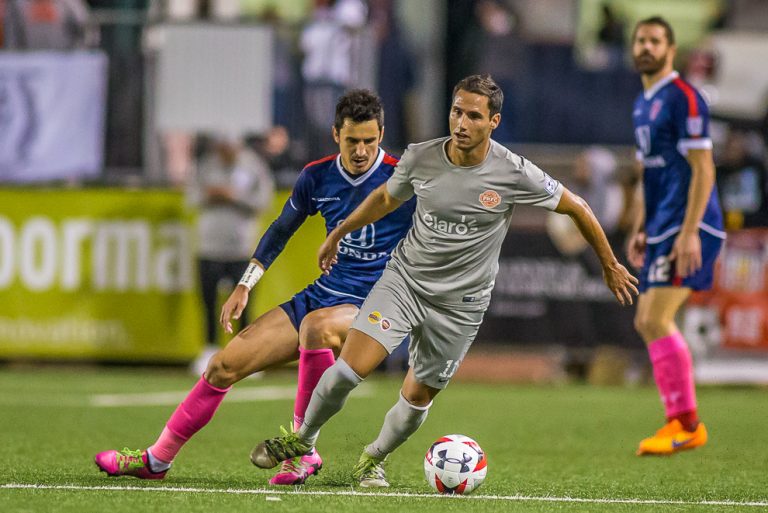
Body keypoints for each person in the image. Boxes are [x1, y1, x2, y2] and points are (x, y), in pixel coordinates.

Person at [250, 74, 638, 487]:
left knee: (416, 398)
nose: (462, 122)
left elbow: (577, 206)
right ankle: (302, 439)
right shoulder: (422, 157)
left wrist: (610, 264)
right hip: (405, 283)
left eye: (474, 115)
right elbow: (385, 198)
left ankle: (373, 458)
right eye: (457, 111)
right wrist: (339, 231)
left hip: (461, 305)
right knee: (349, 370)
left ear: (494, 122)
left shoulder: (512, 171)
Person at [94, 89, 416, 485]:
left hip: (378, 303)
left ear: (382, 135)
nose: (362, 150)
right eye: (353, 141)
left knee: (317, 327)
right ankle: (157, 459)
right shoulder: (317, 176)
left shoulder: (404, 178)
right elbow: (280, 231)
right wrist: (245, 284)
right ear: (336, 135)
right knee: (222, 366)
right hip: (324, 294)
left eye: (370, 141)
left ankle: (302, 450)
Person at [626, 17, 725, 456]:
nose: (646, 46)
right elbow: (652, 171)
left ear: (671, 48)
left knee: (654, 319)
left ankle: (686, 423)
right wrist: (640, 226)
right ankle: (681, 422)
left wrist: (689, 233)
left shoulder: (684, 97)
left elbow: (704, 168)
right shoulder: (642, 103)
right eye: (640, 40)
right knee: (648, 320)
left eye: (655, 40)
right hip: (663, 225)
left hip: (691, 225)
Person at [186, 134, 275, 376]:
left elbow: (264, 200)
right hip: (209, 246)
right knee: (208, 302)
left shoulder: (253, 165)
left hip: (242, 249)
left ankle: (245, 353)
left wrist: (234, 196)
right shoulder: (205, 165)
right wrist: (210, 195)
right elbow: (190, 198)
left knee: (244, 303)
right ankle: (209, 349)